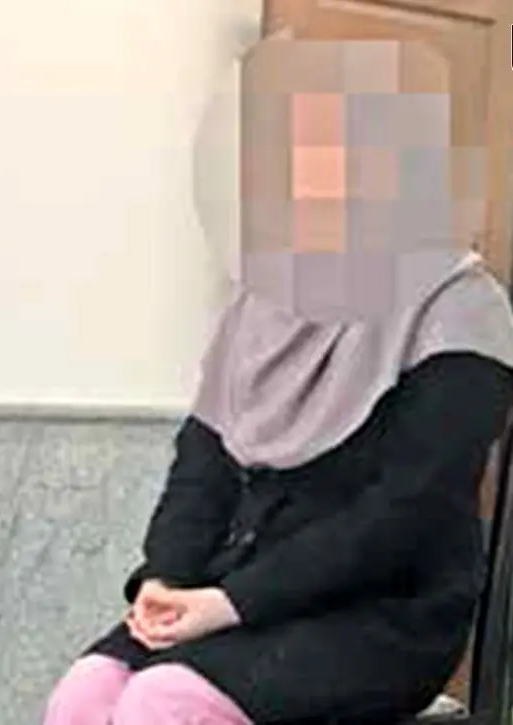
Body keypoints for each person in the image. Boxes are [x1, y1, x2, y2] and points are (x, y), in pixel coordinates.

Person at [42, 29, 513, 725]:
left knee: (164, 703)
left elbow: (408, 510)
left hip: (380, 611)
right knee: (85, 693)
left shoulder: (462, 306)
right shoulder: (267, 298)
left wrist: (231, 603)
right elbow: (201, 468)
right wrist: (166, 577)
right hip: (230, 591)